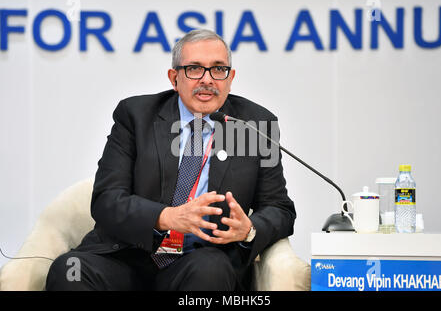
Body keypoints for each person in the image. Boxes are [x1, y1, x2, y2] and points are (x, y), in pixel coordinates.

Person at [45, 29, 296, 291]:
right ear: (174, 78)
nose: (207, 79)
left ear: (230, 78)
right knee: (69, 270)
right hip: (127, 256)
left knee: (210, 270)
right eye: (194, 69)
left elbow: (280, 208)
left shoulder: (254, 125)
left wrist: (249, 230)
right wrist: (166, 217)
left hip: (202, 259)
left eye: (218, 69)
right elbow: (106, 199)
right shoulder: (135, 116)